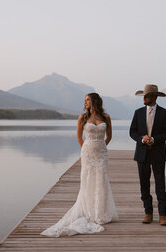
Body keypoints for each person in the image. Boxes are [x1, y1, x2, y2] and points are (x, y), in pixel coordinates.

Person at [41, 93, 119, 237]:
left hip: (101, 154)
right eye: (85, 100)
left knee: (101, 181)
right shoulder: (82, 118)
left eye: (88, 100)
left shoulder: (106, 117)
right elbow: (78, 136)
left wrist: (102, 146)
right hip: (88, 154)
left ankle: (100, 213)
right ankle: (88, 211)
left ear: (95, 101)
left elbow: (109, 136)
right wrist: (87, 149)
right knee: (88, 181)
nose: (85, 102)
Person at [129, 84, 166, 226]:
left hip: (158, 153)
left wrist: (154, 139)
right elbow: (132, 132)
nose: (144, 98)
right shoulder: (138, 112)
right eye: (143, 96)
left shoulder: (164, 113)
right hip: (142, 154)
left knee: (160, 185)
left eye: (146, 96)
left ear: (154, 97)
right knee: (144, 184)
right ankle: (148, 212)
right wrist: (142, 139)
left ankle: (162, 215)